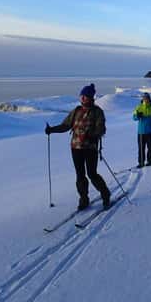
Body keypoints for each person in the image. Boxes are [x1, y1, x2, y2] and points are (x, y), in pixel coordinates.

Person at [45, 83, 111, 211]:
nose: (82, 98)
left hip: (90, 148)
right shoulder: (76, 111)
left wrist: (92, 136)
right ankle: (84, 199)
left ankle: (105, 194)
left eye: (84, 96)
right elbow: (65, 125)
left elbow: (101, 129)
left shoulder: (97, 112)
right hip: (76, 147)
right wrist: (52, 130)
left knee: (92, 174)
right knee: (80, 175)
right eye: (81, 96)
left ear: (90, 97)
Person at [133, 92, 151, 168]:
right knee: (141, 148)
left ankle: (150, 161)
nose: (146, 99)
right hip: (141, 131)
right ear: (142, 99)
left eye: (147, 98)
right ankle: (141, 162)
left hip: (150, 131)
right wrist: (137, 116)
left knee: (150, 147)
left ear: (149, 98)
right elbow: (134, 117)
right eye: (144, 98)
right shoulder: (138, 107)